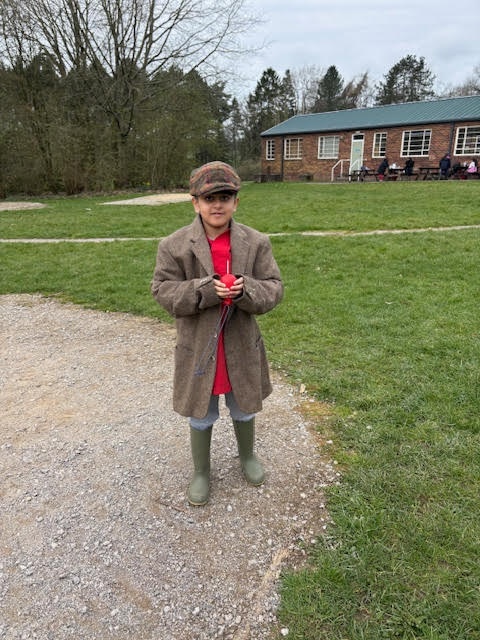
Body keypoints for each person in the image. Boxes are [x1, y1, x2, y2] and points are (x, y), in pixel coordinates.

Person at [151, 161, 284, 506]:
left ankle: (248, 456)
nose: (217, 205)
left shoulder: (256, 243)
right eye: (209, 198)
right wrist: (205, 290)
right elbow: (162, 291)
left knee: (244, 406)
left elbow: (274, 288)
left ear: (236, 202)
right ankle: (201, 471)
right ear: (194, 203)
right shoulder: (174, 245)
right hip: (198, 347)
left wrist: (246, 290)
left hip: (240, 344)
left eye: (225, 197)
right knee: (201, 410)